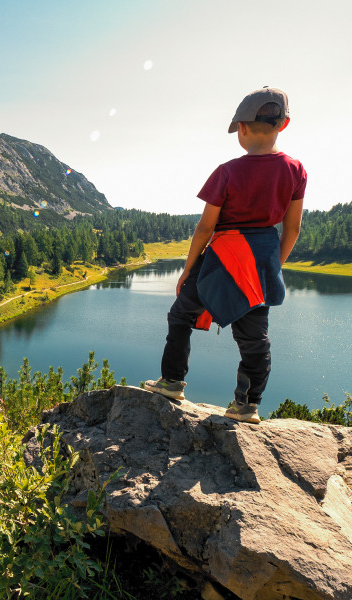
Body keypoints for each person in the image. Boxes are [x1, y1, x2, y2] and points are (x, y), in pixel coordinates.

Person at [143, 87, 307, 424]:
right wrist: (271, 268)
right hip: (262, 259)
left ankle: (172, 382)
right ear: (283, 125)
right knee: (254, 339)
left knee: (181, 315)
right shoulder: (295, 170)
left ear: (242, 129)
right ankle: (246, 405)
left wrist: (188, 270)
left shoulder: (227, 172)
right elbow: (292, 231)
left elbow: (204, 229)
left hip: (220, 259)